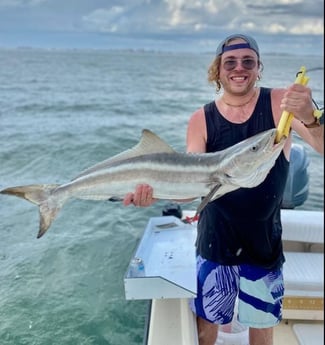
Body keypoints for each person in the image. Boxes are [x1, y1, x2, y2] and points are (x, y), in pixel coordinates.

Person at [123, 33, 324, 345]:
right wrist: (151, 194)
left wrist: (311, 118)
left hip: (264, 246)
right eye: (230, 62)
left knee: (262, 329)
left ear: (259, 68)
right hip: (215, 242)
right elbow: (192, 186)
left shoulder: (279, 105)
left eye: (248, 61)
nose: (239, 67)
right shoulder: (201, 119)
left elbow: (321, 146)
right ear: (217, 70)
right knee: (207, 329)